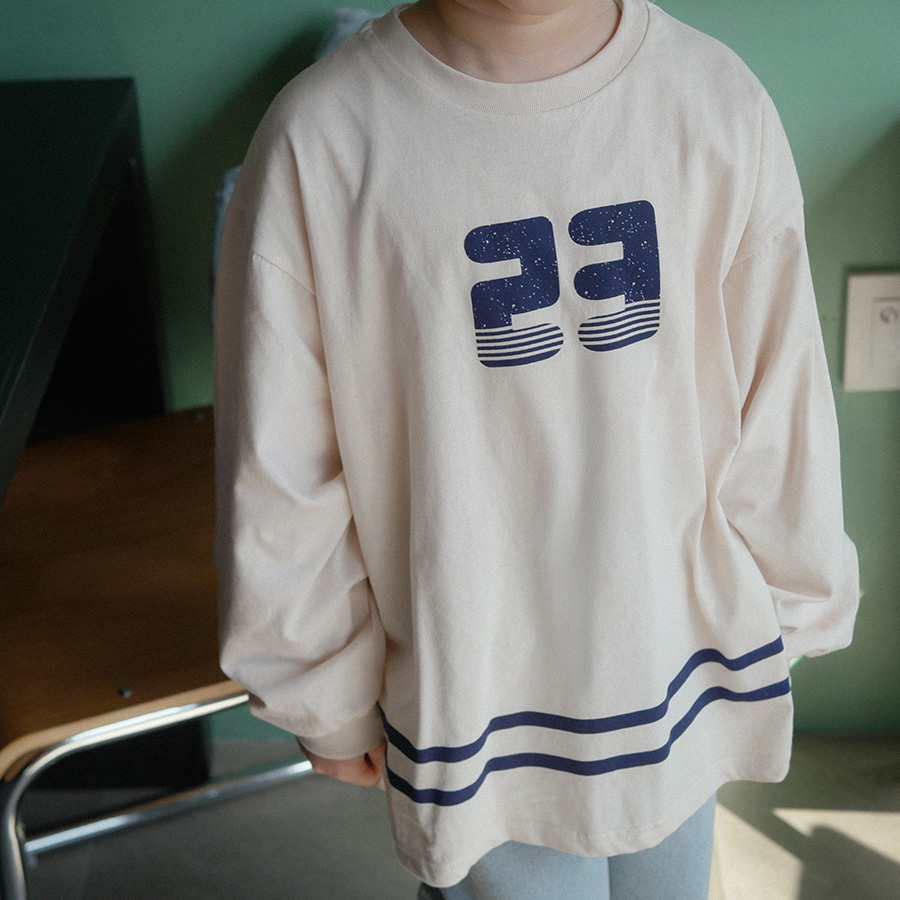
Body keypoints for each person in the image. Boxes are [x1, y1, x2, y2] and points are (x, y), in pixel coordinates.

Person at [213, 1, 860, 897]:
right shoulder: (321, 139)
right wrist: (316, 681)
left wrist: (794, 598)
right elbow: (283, 458)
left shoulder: (714, 101)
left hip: (681, 660)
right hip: (475, 690)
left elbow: (780, 389)